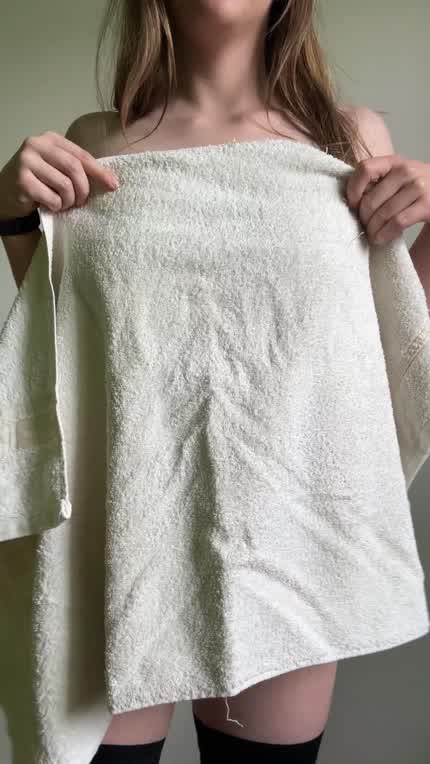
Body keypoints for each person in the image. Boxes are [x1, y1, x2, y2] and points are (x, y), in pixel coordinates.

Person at [2, 2, 428, 763]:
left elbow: (391, 354)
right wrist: (11, 215)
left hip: (288, 538)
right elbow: (64, 348)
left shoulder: (350, 138)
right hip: (123, 526)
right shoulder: (95, 140)